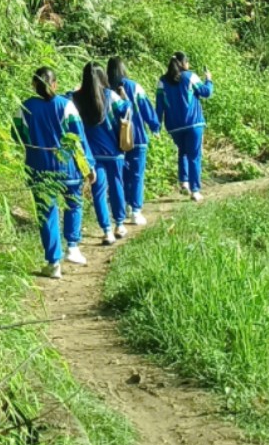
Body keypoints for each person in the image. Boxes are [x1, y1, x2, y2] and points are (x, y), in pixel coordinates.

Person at [13, 67, 96, 279]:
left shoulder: (25, 107)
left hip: (39, 167)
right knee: (74, 203)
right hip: (68, 167)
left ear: (34, 85)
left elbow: (17, 135)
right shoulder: (66, 105)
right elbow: (79, 138)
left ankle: (53, 262)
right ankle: (73, 247)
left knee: (47, 213)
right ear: (55, 84)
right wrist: (89, 167)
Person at [67, 62, 132, 245]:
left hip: (92, 155)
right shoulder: (109, 95)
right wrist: (125, 98)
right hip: (114, 152)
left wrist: (74, 90)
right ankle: (119, 223)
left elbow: (64, 99)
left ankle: (106, 231)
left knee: (99, 192)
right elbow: (126, 109)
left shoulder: (76, 98)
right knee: (117, 186)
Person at [107, 57, 160, 225]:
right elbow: (145, 107)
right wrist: (155, 126)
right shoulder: (133, 86)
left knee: (120, 176)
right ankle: (136, 211)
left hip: (115, 140)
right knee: (137, 175)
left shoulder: (105, 88)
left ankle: (124, 208)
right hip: (136, 137)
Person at [156, 52, 214, 202]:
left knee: (183, 152)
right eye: (187, 61)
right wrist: (209, 80)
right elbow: (206, 92)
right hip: (193, 123)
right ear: (183, 63)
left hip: (174, 127)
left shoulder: (162, 81)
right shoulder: (190, 76)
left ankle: (184, 182)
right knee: (194, 156)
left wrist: (157, 125)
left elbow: (159, 106)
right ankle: (195, 190)